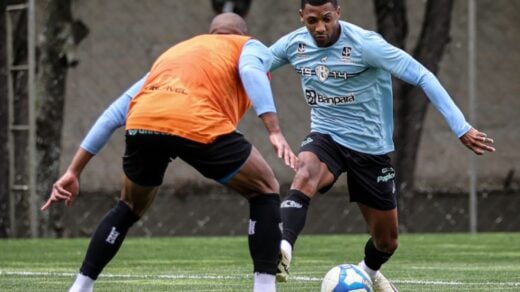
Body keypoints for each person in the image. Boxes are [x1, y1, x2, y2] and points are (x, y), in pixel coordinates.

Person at [41, 12, 297, 292]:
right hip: (197, 122)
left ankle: (81, 286)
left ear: (211, 33)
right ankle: (264, 288)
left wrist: (74, 171)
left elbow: (113, 113)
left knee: (128, 206)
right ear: (240, 33)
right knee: (264, 188)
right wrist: (273, 129)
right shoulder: (247, 45)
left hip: (143, 122)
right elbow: (250, 70)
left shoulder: (177, 53)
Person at [269, 0, 496, 291]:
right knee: (305, 173)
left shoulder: (366, 45)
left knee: (387, 241)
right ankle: (282, 247)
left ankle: (368, 271)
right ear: (301, 17)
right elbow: (258, 60)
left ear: (339, 12)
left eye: (327, 18)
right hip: (327, 135)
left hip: (370, 149)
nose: (320, 27)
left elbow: (423, 76)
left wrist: (461, 127)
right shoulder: (294, 45)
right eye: (312, 20)